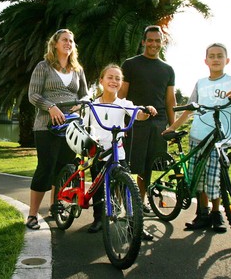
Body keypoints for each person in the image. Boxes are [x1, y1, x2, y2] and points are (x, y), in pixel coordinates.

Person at [162, 42, 231, 232]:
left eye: (219, 56)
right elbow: (188, 111)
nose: (216, 59)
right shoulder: (201, 83)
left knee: (217, 176)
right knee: (200, 177)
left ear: (227, 60)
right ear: (205, 60)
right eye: (212, 56)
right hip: (199, 135)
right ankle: (202, 214)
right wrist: (172, 127)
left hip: (223, 136)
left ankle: (216, 213)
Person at [26, 28, 88, 230]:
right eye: (64, 40)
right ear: (55, 43)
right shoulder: (43, 67)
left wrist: (81, 104)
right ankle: (33, 215)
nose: (68, 43)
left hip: (71, 126)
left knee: (64, 168)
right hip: (46, 126)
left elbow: (85, 95)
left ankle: (55, 206)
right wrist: (50, 107)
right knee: (45, 168)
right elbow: (33, 95)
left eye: (71, 41)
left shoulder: (78, 69)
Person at [84, 64, 157, 236]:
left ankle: (134, 224)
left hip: (118, 152)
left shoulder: (124, 103)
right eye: (110, 77)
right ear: (101, 81)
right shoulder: (91, 105)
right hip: (99, 152)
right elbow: (85, 127)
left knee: (127, 188)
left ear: (122, 82)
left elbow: (137, 114)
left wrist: (146, 111)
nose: (114, 81)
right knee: (98, 188)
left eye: (118, 78)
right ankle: (98, 219)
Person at [119, 25, 176, 214]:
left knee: (147, 169)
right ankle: (121, 205)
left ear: (162, 42)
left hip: (158, 124)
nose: (154, 44)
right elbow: (122, 95)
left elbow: (170, 101)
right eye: (150, 40)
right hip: (135, 123)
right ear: (143, 41)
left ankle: (140, 203)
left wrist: (172, 126)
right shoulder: (130, 64)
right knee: (127, 166)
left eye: (157, 40)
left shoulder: (168, 69)